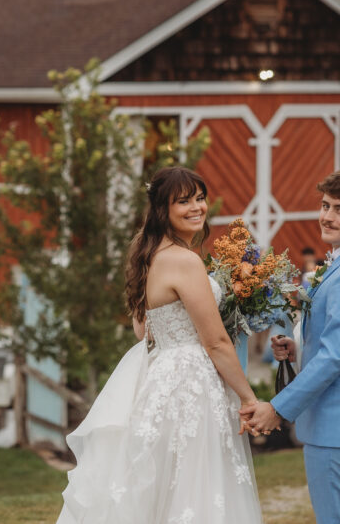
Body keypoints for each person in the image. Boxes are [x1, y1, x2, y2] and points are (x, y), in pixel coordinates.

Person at [57, 167, 263, 523]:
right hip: (192, 384)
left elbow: (143, 332)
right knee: (195, 484)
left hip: (163, 379)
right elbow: (215, 342)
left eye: (200, 198)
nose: (197, 207)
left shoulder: (149, 254)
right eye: (183, 201)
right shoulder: (184, 261)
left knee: (166, 485)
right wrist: (249, 399)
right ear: (162, 210)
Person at [244, 168, 340, 524]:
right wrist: (299, 349)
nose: (327, 216)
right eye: (326, 205)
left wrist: (278, 409)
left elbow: (334, 357)